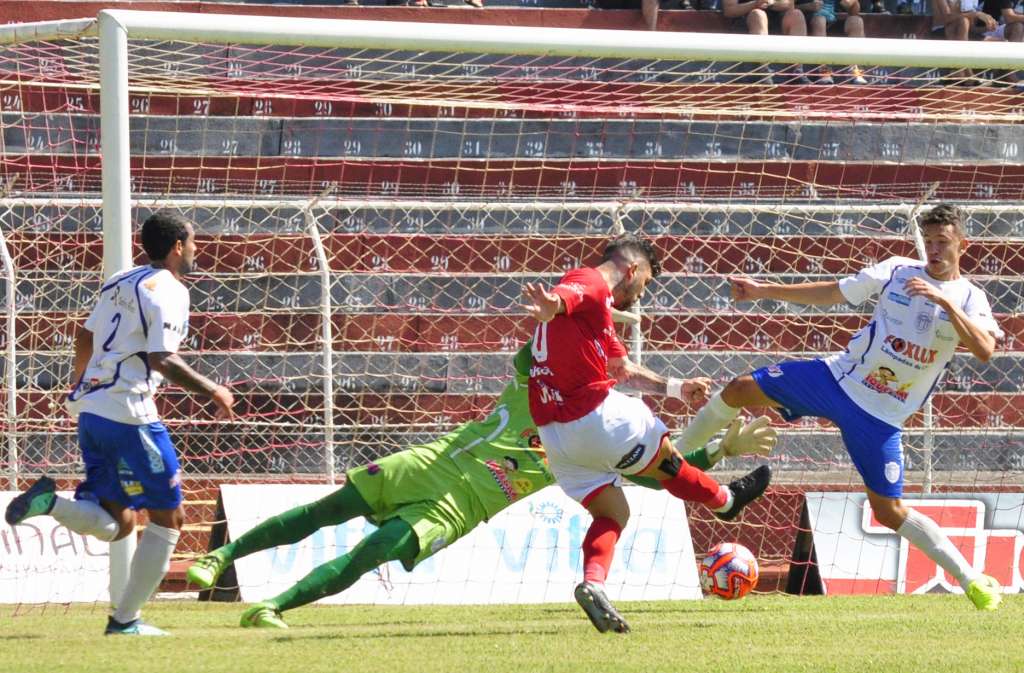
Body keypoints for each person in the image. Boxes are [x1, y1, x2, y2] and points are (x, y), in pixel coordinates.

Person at [186, 344, 778, 630]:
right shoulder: (538, 390)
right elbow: (538, 349)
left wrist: (719, 451)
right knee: (327, 509)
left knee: (372, 553)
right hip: (432, 462)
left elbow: (650, 473)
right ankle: (222, 554)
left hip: (461, 506)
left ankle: (274, 606)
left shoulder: (579, 447)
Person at [676, 204, 1005, 611]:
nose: (935, 250)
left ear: (963, 245)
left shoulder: (972, 298)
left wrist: (946, 304)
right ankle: (672, 456)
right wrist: (764, 289)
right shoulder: (898, 272)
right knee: (740, 388)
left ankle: (971, 580)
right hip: (836, 381)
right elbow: (834, 292)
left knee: (889, 511)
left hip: (881, 418)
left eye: (944, 243)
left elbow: (985, 350)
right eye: (931, 242)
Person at [521, 234, 772, 634]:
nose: (641, 293)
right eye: (647, 283)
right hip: (591, 415)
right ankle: (725, 501)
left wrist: (676, 387)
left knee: (613, 513)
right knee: (667, 458)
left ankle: (594, 583)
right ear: (633, 270)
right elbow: (567, 295)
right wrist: (552, 305)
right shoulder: (591, 281)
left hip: (556, 437)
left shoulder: (598, 316)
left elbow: (622, 369)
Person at [4, 211, 236, 635]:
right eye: (192, 242)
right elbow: (160, 358)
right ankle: (125, 620)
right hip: (131, 415)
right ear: (176, 248)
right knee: (171, 518)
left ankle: (49, 503)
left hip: (92, 411)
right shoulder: (169, 290)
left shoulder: (120, 279)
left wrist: (79, 385)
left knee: (121, 522)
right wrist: (213, 391)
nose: (196, 250)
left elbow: (85, 336)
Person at [798, 0, 869, 84]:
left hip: (831, 19)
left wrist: (853, 3)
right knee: (819, 20)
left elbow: (853, 12)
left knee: (856, 21)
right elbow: (788, 7)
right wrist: (808, 6)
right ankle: (824, 71)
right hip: (805, 21)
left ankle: (855, 69)